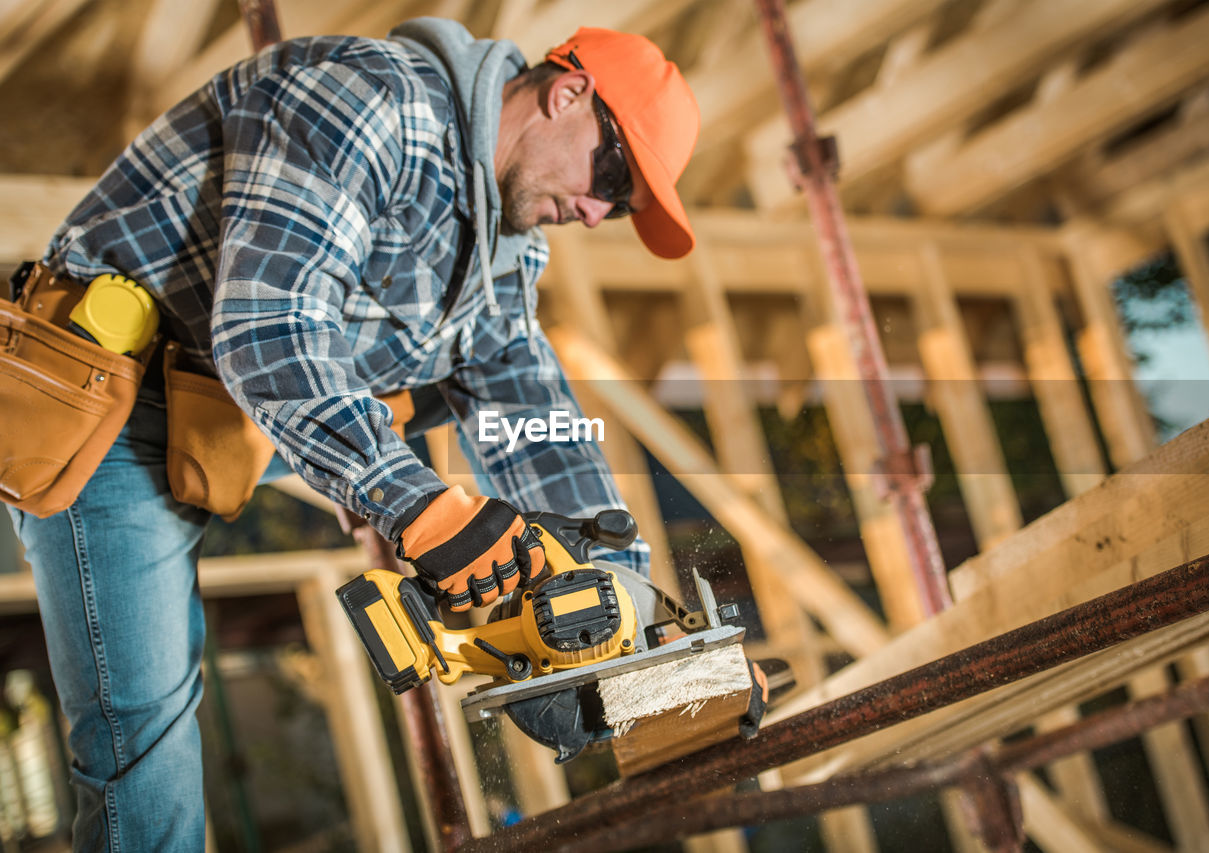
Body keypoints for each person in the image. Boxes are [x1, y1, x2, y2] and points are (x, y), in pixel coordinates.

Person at [6, 17, 698, 851]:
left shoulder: (505, 251)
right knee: (142, 737)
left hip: (233, 417)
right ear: (567, 92)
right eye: (612, 175)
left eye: (620, 209)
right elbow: (270, 327)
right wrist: (412, 503)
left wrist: (629, 607)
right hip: (113, 407)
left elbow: (530, 415)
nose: (596, 211)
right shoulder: (369, 97)